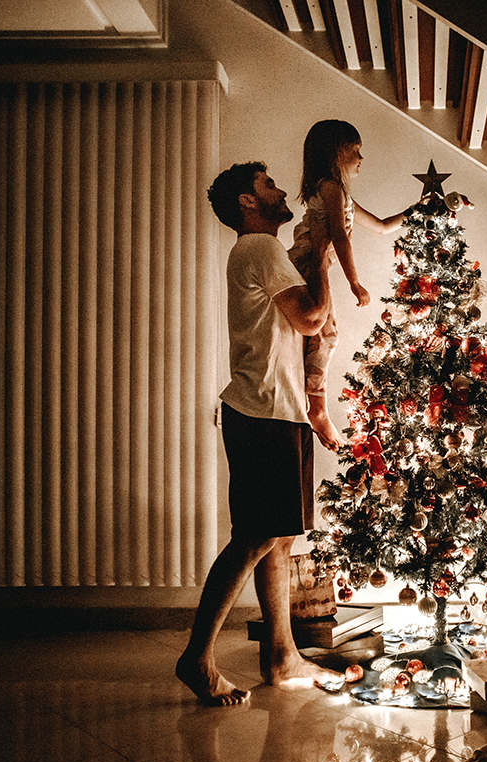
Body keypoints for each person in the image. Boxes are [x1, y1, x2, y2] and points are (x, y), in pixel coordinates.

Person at [176, 161, 343, 706]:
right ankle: (198, 658)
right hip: (264, 411)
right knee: (254, 535)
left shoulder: (259, 254)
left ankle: (281, 654)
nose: (276, 192)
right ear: (248, 203)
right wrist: (320, 253)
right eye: (266, 186)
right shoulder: (260, 249)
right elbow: (313, 317)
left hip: (278, 409)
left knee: (276, 534)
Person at [289, 119, 410, 450]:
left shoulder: (339, 194)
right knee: (324, 335)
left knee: (321, 337)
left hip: (311, 268)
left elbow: (383, 226)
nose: (361, 158)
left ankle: (312, 405)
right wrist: (355, 283)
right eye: (355, 151)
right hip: (305, 267)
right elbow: (340, 238)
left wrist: (416, 210)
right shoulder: (330, 187)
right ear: (336, 153)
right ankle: (316, 409)